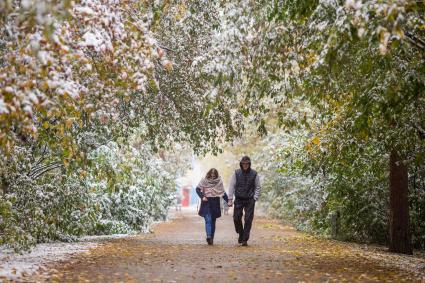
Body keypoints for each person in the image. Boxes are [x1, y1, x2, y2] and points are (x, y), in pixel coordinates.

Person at [227, 156, 261, 246]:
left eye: (247, 163)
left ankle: (245, 239)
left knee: (248, 219)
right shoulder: (236, 173)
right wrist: (230, 199)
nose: (245, 165)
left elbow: (258, 186)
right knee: (236, 218)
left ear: (249, 164)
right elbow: (231, 186)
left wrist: (255, 198)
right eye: (243, 163)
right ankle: (241, 233)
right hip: (239, 199)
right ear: (241, 164)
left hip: (250, 199)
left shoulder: (254, 174)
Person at [196, 168, 229, 245]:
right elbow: (197, 189)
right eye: (211, 174)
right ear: (209, 174)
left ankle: (211, 238)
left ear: (216, 174)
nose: (212, 176)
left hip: (215, 202)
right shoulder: (204, 180)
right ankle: (208, 236)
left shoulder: (219, 182)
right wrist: (202, 196)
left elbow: (223, 193)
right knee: (208, 219)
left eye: (214, 174)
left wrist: (229, 201)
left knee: (213, 221)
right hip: (206, 202)